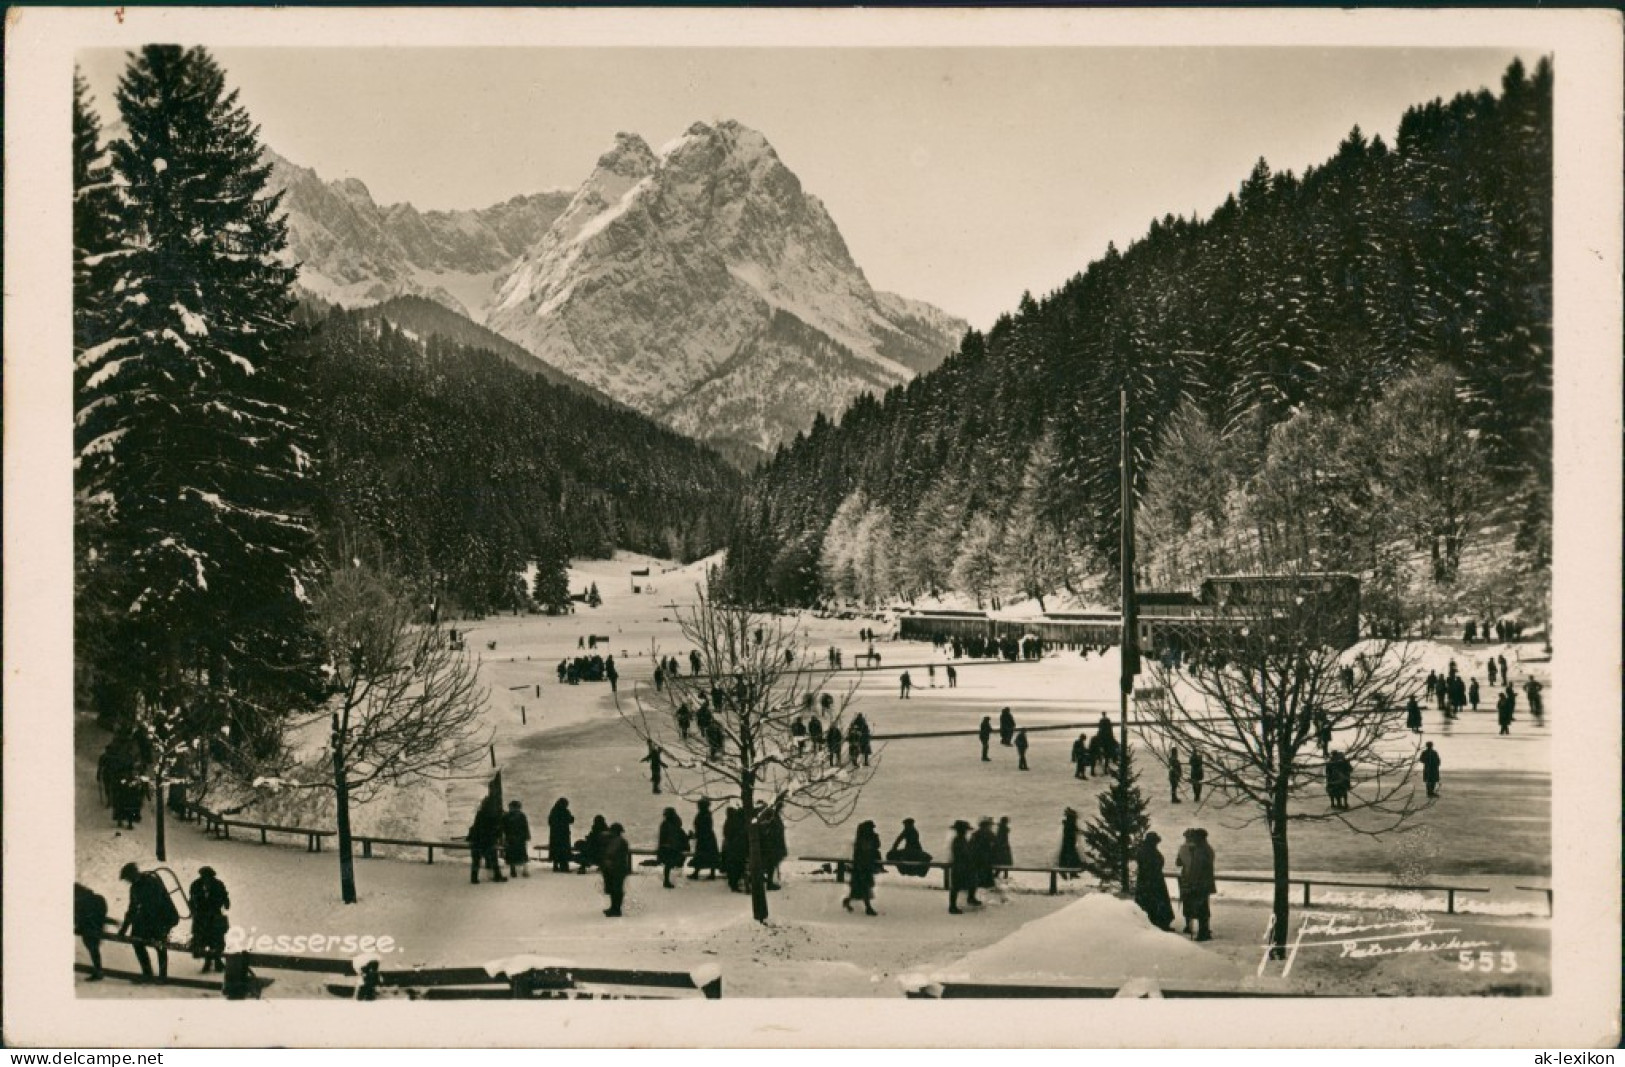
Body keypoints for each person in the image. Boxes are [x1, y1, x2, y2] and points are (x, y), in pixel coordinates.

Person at [118, 862, 178, 982]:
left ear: (134, 874)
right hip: (151, 918)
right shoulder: (135, 887)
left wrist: (142, 923)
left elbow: (155, 906)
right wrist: (124, 929)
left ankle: (162, 977)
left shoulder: (151, 882)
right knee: (136, 940)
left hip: (164, 918)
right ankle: (147, 974)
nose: (128, 881)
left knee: (159, 944)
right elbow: (132, 909)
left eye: (128, 878)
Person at [1175, 828, 1217, 941]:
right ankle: (1204, 930)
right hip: (1205, 882)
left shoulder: (1199, 851)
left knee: (1199, 907)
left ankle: (1203, 932)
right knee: (1203, 907)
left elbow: (1195, 869)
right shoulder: (1207, 849)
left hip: (1198, 883)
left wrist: (1191, 881)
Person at [188, 866, 231, 973]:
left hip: (214, 917)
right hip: (201, 918)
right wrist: (193, 909)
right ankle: (209, 962)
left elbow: (225, 899)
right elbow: (191, 899)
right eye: (204, 877)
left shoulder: (218, 885)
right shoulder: (196, 885)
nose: (206, 879)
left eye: (209, 877)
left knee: (216, 941)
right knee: (203, 941)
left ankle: (217, 961)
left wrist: (225, 902)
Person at [1133, 833, 1176, 932]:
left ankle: (1151, 922)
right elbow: (1151, 865)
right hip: (1154, 880)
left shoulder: (1143, 850)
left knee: (1148, 902)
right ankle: (1159, 923)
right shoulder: (1150, 851)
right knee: (1157, 901)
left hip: (1146, 881)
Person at [843, 821, 883, 916]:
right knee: (864, 888)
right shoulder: (862, 840)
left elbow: (876, 846)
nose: (872, 830)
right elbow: (867, 850)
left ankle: (848, 901)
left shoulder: (865, 838)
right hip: (862, 867)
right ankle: (868, 908)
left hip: (864, 866)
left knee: (859, 889)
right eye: (871, 828)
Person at [468, 795, 507, 884]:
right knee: (493, 859)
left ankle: (474, 878)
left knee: (476, 860)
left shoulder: (480, 813)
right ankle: (497, 876)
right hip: (488, 840)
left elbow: (476, 826)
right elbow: (497, 828)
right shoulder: (494, 815)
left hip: (477, 839)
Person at [75, 882, 108, 981]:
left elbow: (79, 917)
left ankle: (98, 971)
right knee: (94, 949)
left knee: (93, 949)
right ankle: (98, 970)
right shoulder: (98, 898)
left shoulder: (80, 902)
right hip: (95, 927)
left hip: (89, 929)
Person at [600, 823, 632, 917]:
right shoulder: (618, 841)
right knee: (614, 889)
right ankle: (614, 908)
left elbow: (616, 855)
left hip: (617, 868)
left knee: (616, 889)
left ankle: (616, 909)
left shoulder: (618, 842)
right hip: (616, 868)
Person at [947, 820, 978, 914]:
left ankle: (970, 898)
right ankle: (952, 907)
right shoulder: (959, 840)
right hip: (960, 866)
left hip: (961, 865)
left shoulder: (960, 839)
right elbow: (963, 853)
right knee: (956, 886)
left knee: (970, 881)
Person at [657, 807, 690, 889]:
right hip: (672, 848)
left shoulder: (665, 824)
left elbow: (664, 838)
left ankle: (667, 880)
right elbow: (680, 835)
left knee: (668, 864)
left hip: (669, 848)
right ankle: (667, 880)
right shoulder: (674, 823)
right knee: (670, 863)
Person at [689, 798, 721, 880]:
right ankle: (710, 873)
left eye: (699, 805)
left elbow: (703, 827)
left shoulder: (704, 815)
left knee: (702, 854)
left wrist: (696, 834)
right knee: (709, 855)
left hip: (705, 837)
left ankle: (697, 873)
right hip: (708, 837)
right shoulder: (705, 814)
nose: (698, 806)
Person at [761, 802, 789, 890]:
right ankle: (769, 883)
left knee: (771, 865)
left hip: (771, 847)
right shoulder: (774, 820)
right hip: (772, 848)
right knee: (771, 865)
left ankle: (768, 881)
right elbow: (774, 834)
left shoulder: (771, 819)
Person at [721, 806, 749, 892]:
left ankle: (733, 883)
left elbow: (726, 834)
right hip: (738, 849)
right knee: (738, 867)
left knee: (733, 867)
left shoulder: (729, 821)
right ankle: (735, 885)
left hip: (730, 848)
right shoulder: (739, 823)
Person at [503, 800, 532, 878]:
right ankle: (525, 871)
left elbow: (504, 828)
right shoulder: (521, 815)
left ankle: (513, 871)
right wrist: (527, 836)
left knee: (511, 855)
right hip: (520, 838)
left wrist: (504, 837)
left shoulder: (507, 816)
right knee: (522, 854)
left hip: (510, 838)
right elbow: (525, 827)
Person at [970, 816, 998, 892]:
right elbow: (996, 843)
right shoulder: (989, 833)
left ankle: (981, 884)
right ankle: (987, 885)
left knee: (979, 871)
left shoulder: (975, 833)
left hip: (976, 856)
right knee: (987, 871)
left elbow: (971, 845)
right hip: (986, 856)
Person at [1056, 808, 1083, 878]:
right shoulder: (1069, 824)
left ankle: (1071, 873)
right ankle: (1070, 873)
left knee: (1068, 857)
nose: (1075, 820)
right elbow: (1072, 833)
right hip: (1069, 844)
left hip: (1069, 844)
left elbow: (1075, 831)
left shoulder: (1068, 824)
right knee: (1070, 857)